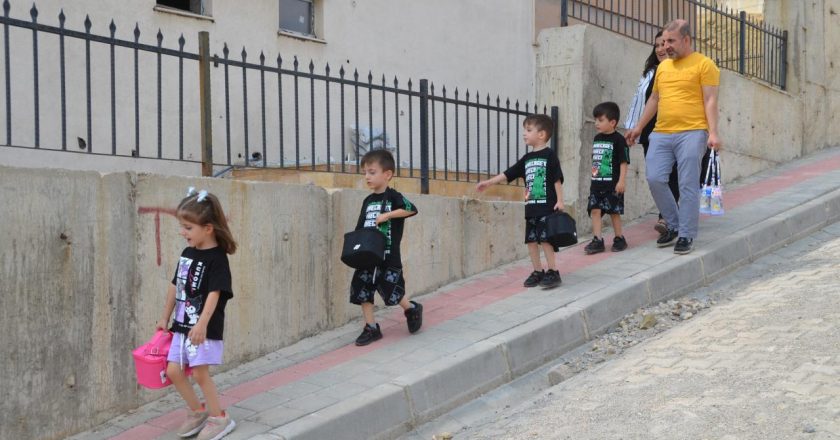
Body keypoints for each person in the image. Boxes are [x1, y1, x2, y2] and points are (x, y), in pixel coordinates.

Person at [625, 19, 722, 255]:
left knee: (688, 184)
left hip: (693, 131)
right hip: (661, 132)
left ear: (686, 40)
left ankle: (686, 234)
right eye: (664, 41)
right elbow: (654, 100)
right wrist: (639, 127)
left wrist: (713, 132)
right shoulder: (663, 68)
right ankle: (675, 223)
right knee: (655, 178)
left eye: (671, 41)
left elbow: (710, 100)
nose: (665, 46)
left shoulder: (705, 64)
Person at [155, 188, 238, 440]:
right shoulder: (187, 253)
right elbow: (175, 285)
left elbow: (216, 292)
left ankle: (220, 418)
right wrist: (164, 317)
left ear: (208, 228)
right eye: (183, 226)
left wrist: (202, 324)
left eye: (188, 227)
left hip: (202, 329)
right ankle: (197, 411)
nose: (183, 232)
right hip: (181, 326)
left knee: (200, 373)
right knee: (173, 371)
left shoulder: (217, 259)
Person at [476, 114, 564, 288]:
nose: (524, 133)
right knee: (531, 240)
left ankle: (553, 271)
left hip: (547, 207)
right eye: (525, 130)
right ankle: (538, 271)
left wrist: (560, 200)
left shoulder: (550, 155)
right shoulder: (527, 159)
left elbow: (557, 179)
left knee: (546, 240)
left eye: (528, 130)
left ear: (541, 134)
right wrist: (488, 183)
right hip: (531, 208)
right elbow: (508, 173)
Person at [350, 149, 423, 346]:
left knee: (391, 289)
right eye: (365, 172)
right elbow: (360, 227)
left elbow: (411, 209)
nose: (367, 177)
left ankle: (411, 309)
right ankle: (371, 328)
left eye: (372, 172)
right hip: (367, 255)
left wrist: (387, 215)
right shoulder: (368, 201)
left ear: (387, 174)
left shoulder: (393, 197)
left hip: (388, 256)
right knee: (362, 289)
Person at [625, 30, 678, 234]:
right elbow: (641, 102)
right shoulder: (650, 72)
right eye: (657, 45)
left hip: (672, 129)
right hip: (650, 131)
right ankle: (669, 213)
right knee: (656, 176)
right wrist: (635, 127)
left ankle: (666, 218)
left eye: (665, 44)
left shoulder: (676, 70)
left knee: (672, 175)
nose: (661, 48)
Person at [585, 102, 630, 254]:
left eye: (600, 120)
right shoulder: (597, 138)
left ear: (612, 122)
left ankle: (619, 238)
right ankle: (597, 240)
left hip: (613, 185)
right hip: (597, 184)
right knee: (595, 211)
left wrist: (621, 181)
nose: (596, 123)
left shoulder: (619, 140)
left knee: (613, 211)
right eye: (596, 120)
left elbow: (624, 162)